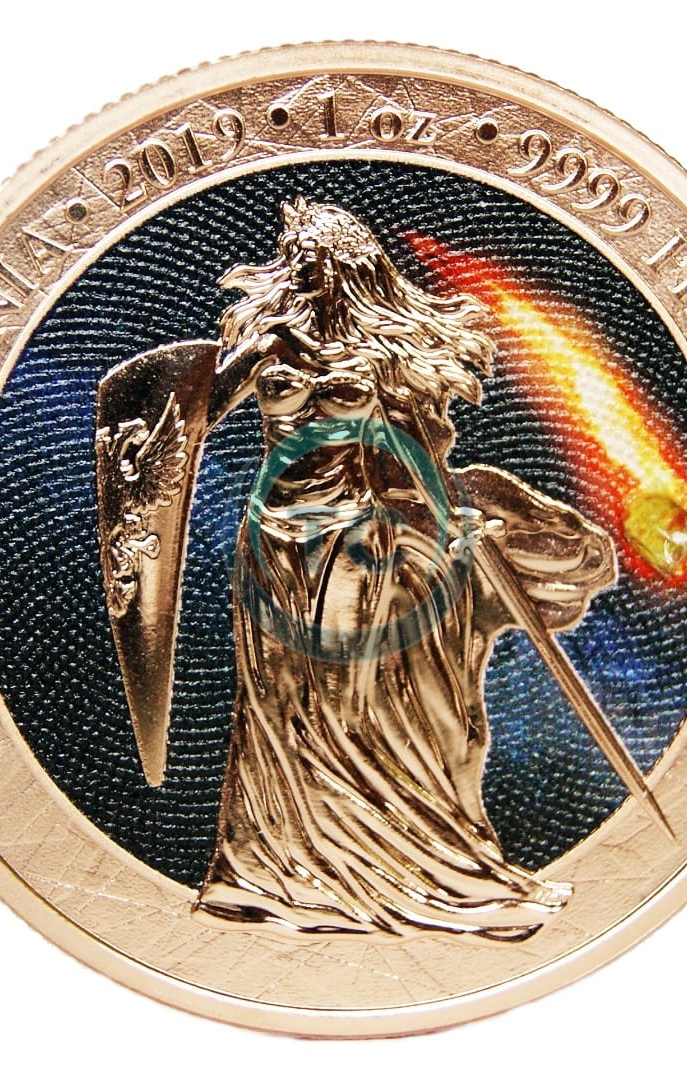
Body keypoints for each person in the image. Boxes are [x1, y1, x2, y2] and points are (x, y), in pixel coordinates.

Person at [167, 197, 617, 941]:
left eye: (325, 258)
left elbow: (412, 451)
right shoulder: (265, 349)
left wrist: (448, 514)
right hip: (278, 541)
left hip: (361, 539)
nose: (312, 271)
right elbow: (185, 420)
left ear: (356, 266)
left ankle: (423, 865)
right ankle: (270, 871)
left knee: (358, 703)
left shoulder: (382, 353)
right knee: (282, 706)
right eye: (301, 258)